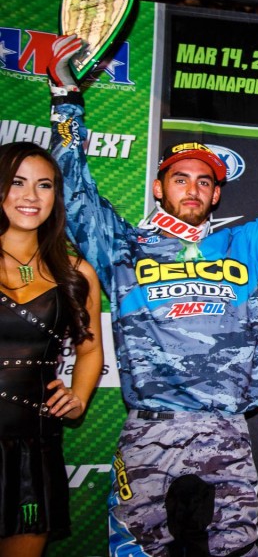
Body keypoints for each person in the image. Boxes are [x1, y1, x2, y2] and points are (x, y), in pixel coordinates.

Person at [44, 34, 258, 555]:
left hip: (225, 432)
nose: (193, 189)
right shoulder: (123, 246)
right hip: (150, 433)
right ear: (159, 187)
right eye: (181, 179)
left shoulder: (240, 245)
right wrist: (65, 100)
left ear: (217, 194)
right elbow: (70, 186)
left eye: (205, 182)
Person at [0, 142, 103, 557]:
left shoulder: (76, 272)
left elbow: (91, 350)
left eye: (44, 185)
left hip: (35, 446)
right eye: (17, 183)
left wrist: (78, 398)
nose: (30, 196)